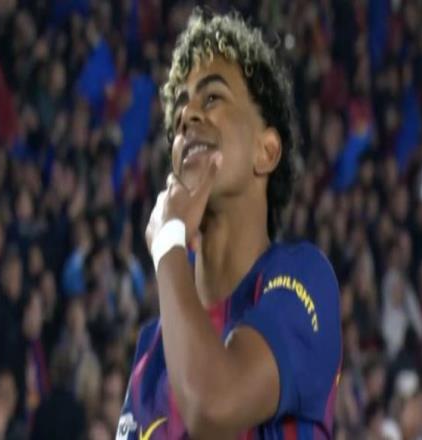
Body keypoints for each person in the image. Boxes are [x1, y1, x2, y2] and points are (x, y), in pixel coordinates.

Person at [116, 8, 342, 439]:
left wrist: (169, 238)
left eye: (212, 98)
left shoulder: (302, 280)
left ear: (266, 152)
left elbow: (212, 403)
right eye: (180, 109)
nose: (187, 115)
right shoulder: (154, 350)